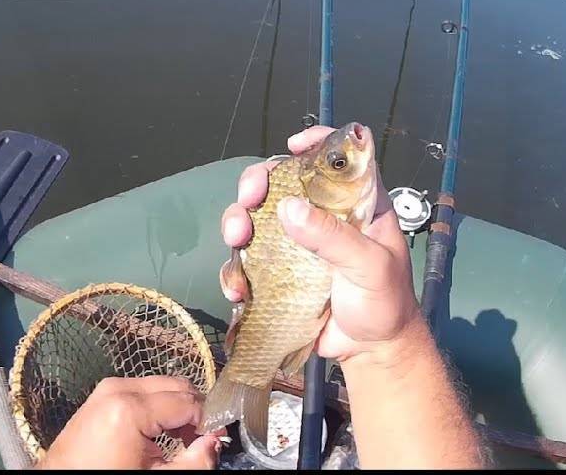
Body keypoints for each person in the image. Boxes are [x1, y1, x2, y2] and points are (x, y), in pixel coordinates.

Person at [38, 126, 487, 470]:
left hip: (314, 315)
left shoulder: (342, 221)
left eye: (337, 164)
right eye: (338, 163)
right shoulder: (329, 207)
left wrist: (384, 344)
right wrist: (387, 349)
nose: (353, 144)